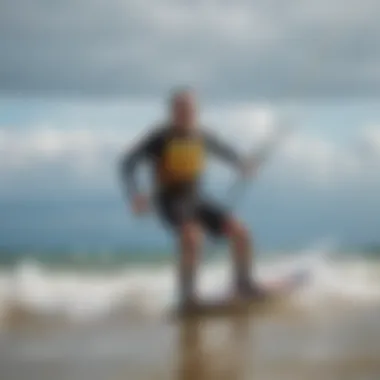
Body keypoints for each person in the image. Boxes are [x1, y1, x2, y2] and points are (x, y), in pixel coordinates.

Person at [119, 88, 265, 310]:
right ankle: (188, 297)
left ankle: (243, 284)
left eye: (190, 109)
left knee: (240, 232)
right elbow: (127, 163)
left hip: (197, 200)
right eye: (181, 109)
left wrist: (242, 165)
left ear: (196, 111)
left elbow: (226, 152)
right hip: (169, 201)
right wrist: (135, 195)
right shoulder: (160, 137)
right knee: (192, 236)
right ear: (172, 111)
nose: (186, 114)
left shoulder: (201, 135)